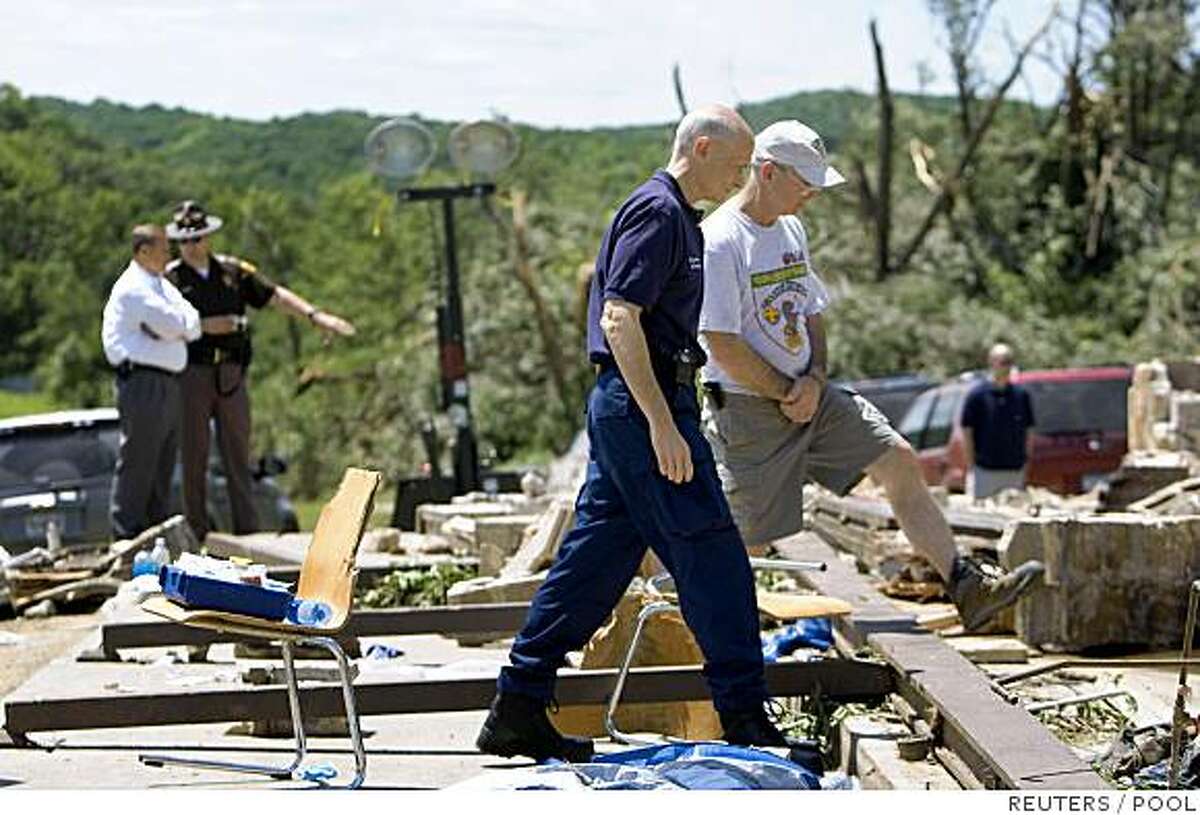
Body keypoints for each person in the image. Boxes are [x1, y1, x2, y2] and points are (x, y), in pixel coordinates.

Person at [476, 105, 794, 763]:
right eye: (736, 165)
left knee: (593, 563)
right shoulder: (657, 211)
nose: (741, 179)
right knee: (714, 557)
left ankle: (518, 704)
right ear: (701, 147)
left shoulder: (679, 218)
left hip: (642, 405)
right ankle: (744, 718)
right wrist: (659, 424)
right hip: (645, 407)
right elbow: (621, 318)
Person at [697, 120, 1043, 633]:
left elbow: (811, 310)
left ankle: (967, 585)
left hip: (808, 394)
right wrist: (785, 391)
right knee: (749, 537)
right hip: (750, 407)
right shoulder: (722, 240)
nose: (813, 193)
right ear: (767, 173)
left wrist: (814, 376)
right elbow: (720, 340)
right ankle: (712, 637)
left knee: (899, 461)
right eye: (804, 182)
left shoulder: (791, 228)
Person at [164, 201, 355, 540]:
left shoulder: (232, 271)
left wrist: (314, 315)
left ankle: (247, 535)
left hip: (232, 372)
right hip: (193, 371)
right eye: (185, 240)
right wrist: (206, 327)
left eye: (198, 238)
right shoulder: (172, 279)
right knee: (195, 455)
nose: (192, 246)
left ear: (209, 238)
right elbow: (161, 326)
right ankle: (196, 534)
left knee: (238, 451)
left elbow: (273, 295)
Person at [101, 224, 201, 540]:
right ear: (144, 251)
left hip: (168, 382)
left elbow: (192, 323)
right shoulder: (133, 287)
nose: (168, 255)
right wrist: (178, 327)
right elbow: (175, 324)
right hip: (143, 382)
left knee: (162, 464)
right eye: (163, 249)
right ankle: (126, 537)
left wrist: (179, 326)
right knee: (139, 461)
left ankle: (153, 537)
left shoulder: (160, 285)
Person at [961, 343, 1036, 500]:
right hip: (985, 471)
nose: (1006, 366)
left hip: (1014, 470)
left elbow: (1029, 430)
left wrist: (1026, 461)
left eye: (1009, 361)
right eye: (1003, 361)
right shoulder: (977, 396)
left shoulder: (1021, 395)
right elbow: (967, 432)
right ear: (991, 362)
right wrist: (971, 465)